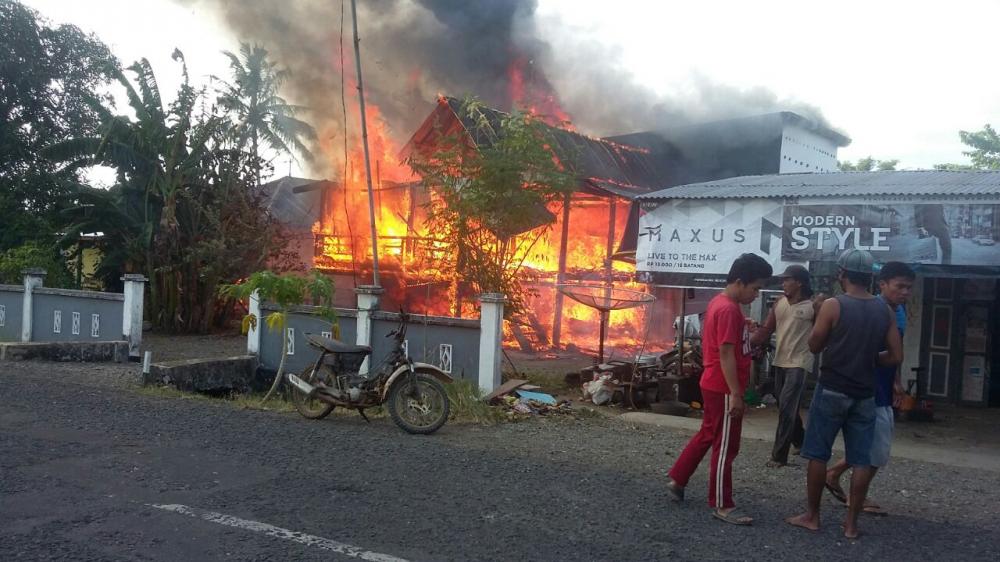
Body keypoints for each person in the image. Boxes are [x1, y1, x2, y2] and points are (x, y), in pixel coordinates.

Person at [785, 249, 902, 540]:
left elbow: (814, 346)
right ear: (871, 277)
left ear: (842, 275)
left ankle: (812, 516)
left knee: (818, 454)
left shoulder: (833, 305)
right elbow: (896, 355)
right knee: (861, 459)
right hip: (865, 393)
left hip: (832, 388)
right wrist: (872, 359)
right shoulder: (883, 309)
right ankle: (851, 525)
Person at [665, 253, 773, 526]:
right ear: (740, 281)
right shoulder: (727, 309)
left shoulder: (722, 303)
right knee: (726, 446)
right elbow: (726, 354)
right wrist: (736, 394)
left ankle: (678, 478)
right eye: (755, 288)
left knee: (708, 434)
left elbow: (725, 340)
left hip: (714, 383)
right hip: (723, 386)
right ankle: (722, 504)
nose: (756, 294)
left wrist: (742, 327)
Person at [824, 261, 914, 515]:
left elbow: (897, 350)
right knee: (875, 449)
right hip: (868, 387)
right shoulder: (874, 310)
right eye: (900, 286)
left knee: (871, 445)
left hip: (883, 387)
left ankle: (835, 475)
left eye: (909, 288)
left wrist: (896, 380)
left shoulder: (898, 310)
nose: (905, 292)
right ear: (882, 284)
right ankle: (855, 498)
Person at [750, 264, 820, 467]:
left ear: (799, 282)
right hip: (780, 360)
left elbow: (823, 332)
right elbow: (765, 330)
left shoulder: (813, 307)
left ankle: (778, 456)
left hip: (799, 363)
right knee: (785, 405)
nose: (783, 283)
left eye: (787, 279)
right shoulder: (780, 303)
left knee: (787, 408)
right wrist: (745, 344)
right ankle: (802, 441)